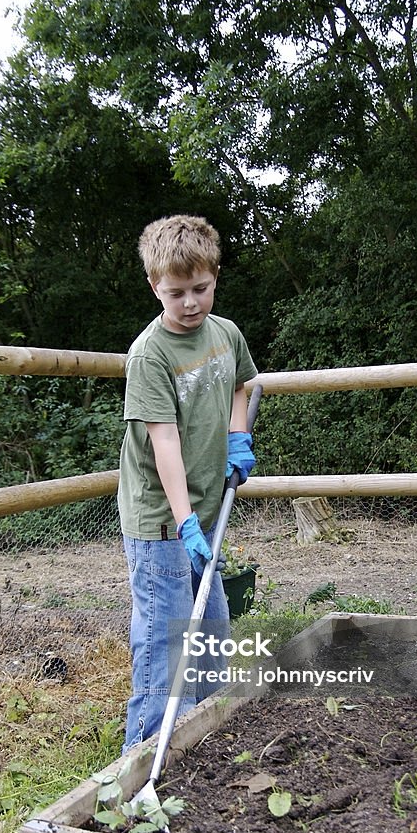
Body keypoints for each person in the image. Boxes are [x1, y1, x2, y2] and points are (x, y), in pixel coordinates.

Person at [117, 214, 258, 750]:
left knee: (210, 635)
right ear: (155, 286)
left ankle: (203, 744)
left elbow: (244, 386)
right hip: (162, 520)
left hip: (204, 510)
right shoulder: (150, 354)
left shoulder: (226, 334)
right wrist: (184, 523)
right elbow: (164, 443)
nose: (192, 302)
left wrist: (237, 436)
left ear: (215, 276)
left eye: (201, 288)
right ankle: (144, 755)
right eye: (177, 293)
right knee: (166, 644)